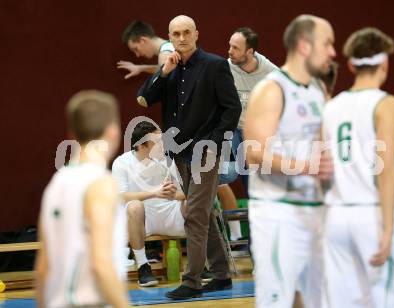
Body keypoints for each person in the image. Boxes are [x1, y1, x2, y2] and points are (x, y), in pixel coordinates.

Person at [137, 15, 242, 300]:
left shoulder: (216, 65)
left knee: (194, 214)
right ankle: (221, 275)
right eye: (175, 34)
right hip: (179, 152)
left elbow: (232, 109)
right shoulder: (168, 68)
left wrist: (214, 142)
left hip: (206, 152)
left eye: (186, 33)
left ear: (196, 34)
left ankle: (192, 281)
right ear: (169, 37)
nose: (181, 39)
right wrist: (163, 71)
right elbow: (143, 99)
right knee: (204, 212)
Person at [322, 27, 394, 307]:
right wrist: (389, 229)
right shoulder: (386, 103)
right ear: (385, 62)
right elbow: (385, 167)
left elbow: (322, 169)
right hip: (371, 214)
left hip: (336, 217)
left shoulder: (331, 107)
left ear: (351, 64)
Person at [244, 15, 336, 307]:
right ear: (304, 46)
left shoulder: (319, 90)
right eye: (328, 44)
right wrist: (306, 166)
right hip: (278, 213)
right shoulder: (272, 89)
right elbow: (254, 154)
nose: (333, 52)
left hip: (314, 210)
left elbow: (322, 153)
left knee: (314, 300)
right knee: (278, 301)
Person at [35, 90, 129, 308]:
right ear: (113, 131)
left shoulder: (55, 184)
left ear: (71, 134)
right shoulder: (100, 183)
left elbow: (42, 268)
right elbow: (100, 263)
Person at [112, 120, 186, 287]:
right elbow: (120, 196)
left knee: (192, 202)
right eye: (157, 140)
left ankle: (200, 265)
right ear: (142, 145)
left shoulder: (167, 159)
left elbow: (184, 192)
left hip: (170, 213)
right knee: (135, 205)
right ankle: (143, 267)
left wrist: (175, 195)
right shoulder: (122, 163)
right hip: (142, 220)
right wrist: (154, 193)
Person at [227, 27, 278, 196]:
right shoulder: (226, 68)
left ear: (250, 51)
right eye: (230, 46)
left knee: (257, 175)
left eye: (236, 48)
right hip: (235, 128)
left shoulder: (271, 73)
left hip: (258, 132)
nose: (230, 52)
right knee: (239, 171)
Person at [117, 21, 174, 85]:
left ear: (143, 40)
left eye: (136, 49)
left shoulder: (165, 54)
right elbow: (164, 68)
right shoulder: (170, 47)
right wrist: (140, 68)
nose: (137, 55)